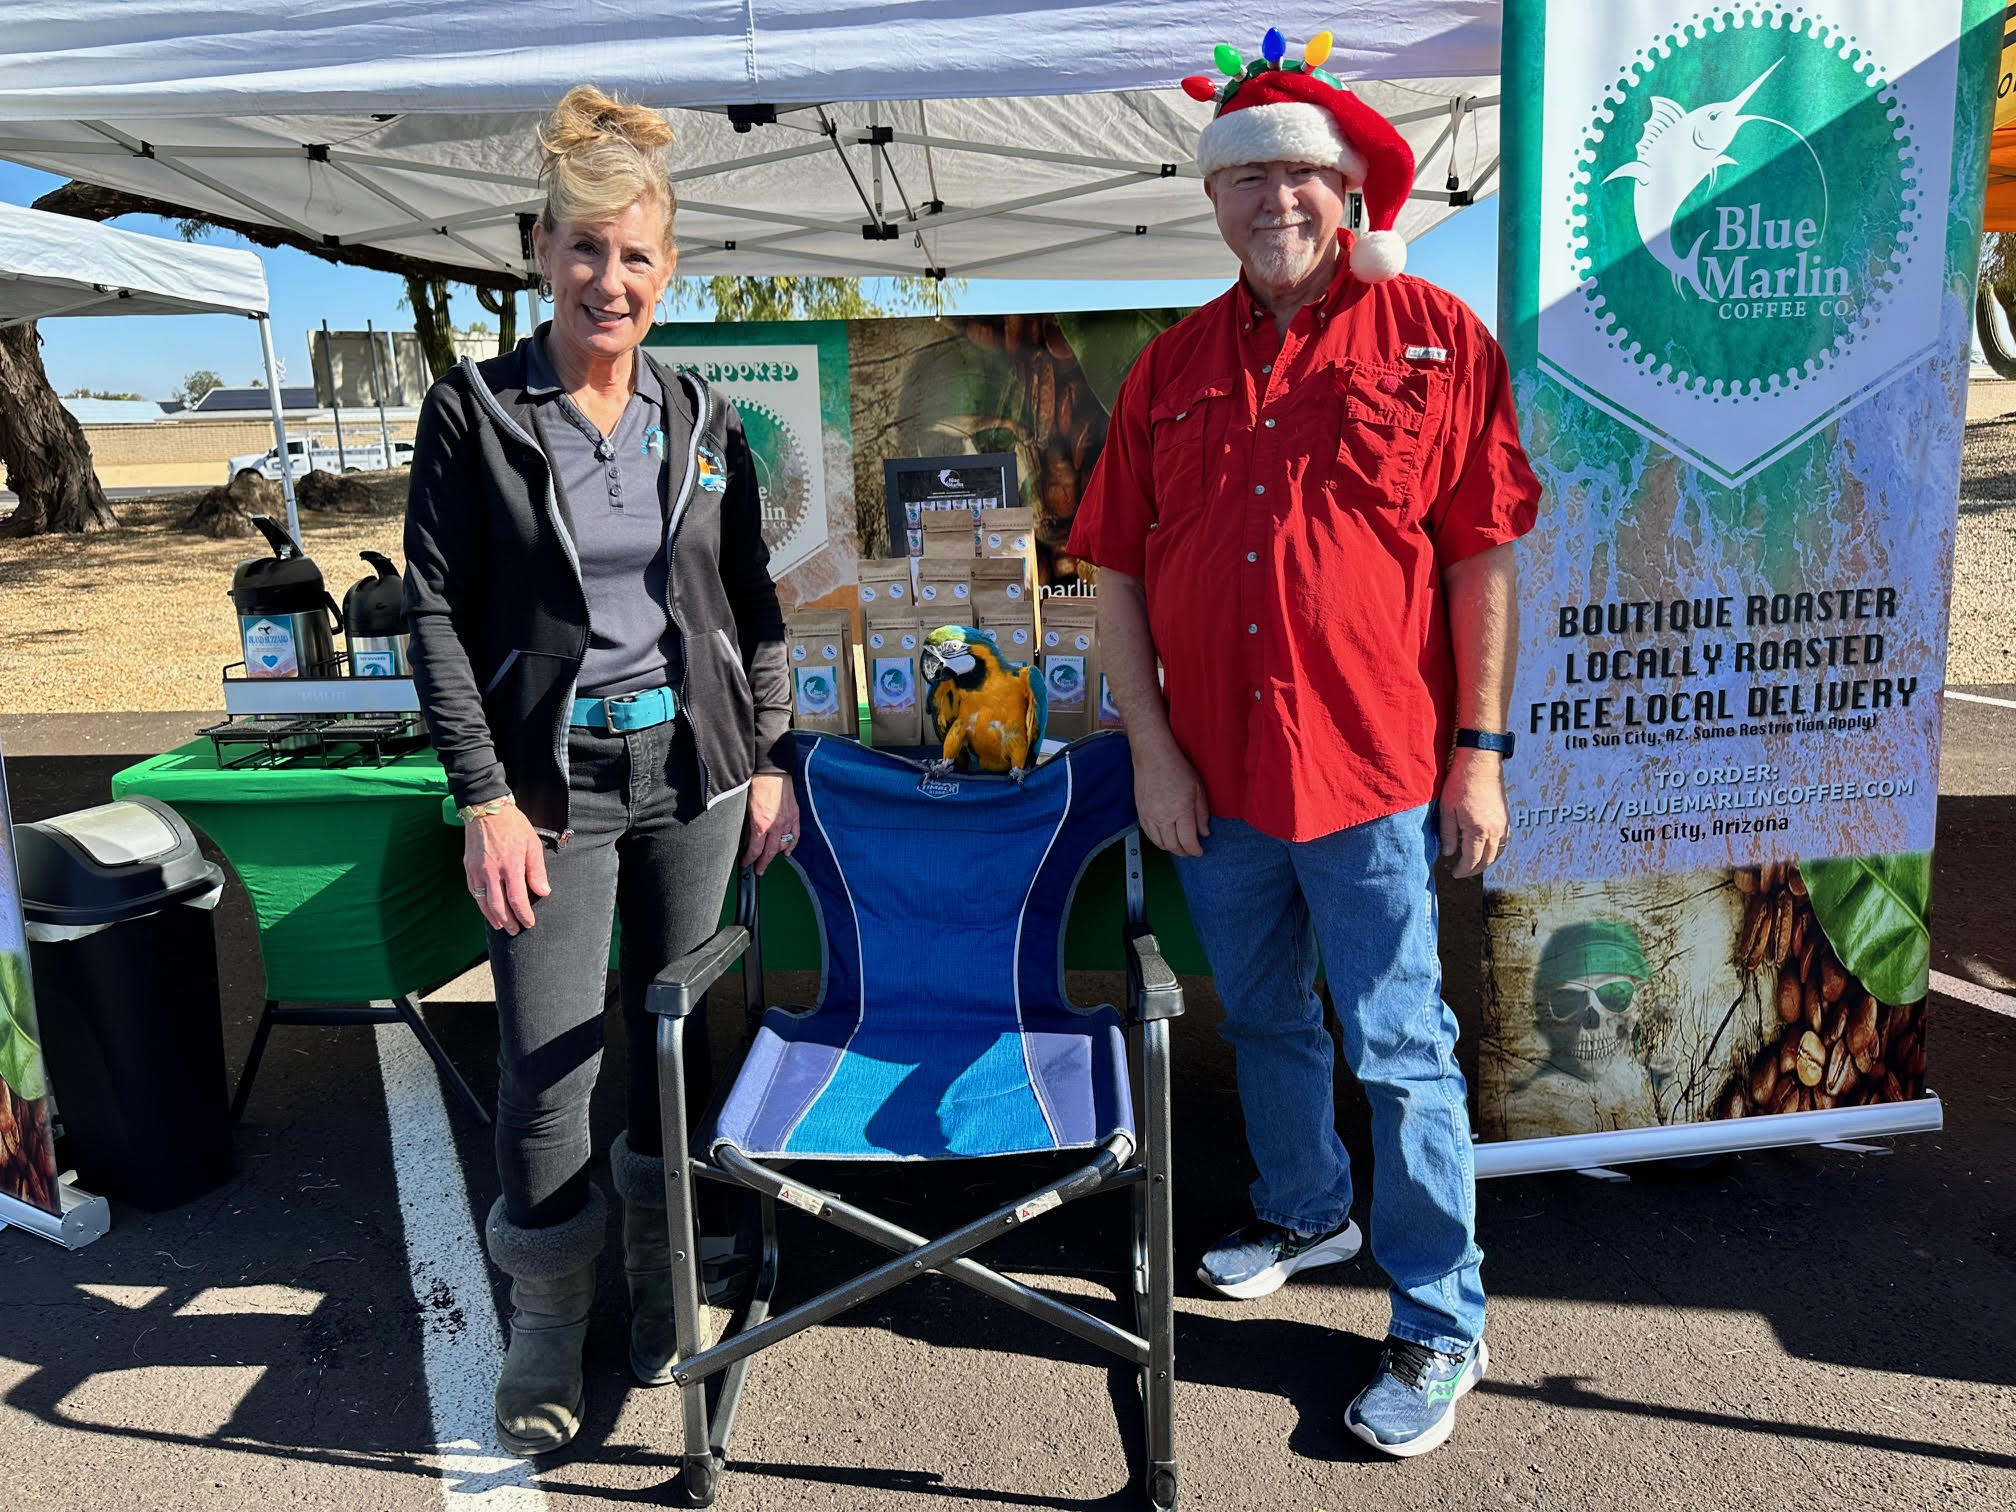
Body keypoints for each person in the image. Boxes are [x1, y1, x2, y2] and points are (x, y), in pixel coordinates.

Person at [1069, 32, 1540, 1459]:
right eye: (1246, 178)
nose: (1274, 199)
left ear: (1344, 190)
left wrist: (1479, 750)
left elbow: (1483, 554)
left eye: (1298, 175)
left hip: (1374, 770)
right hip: (1216, 776)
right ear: (1212, 199)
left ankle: (1440, 1317)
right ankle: (1304, 1206)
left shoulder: (1436, 337)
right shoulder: (1170, 368)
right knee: (1267, 1016)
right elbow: (1115, 569)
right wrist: (1153, 750)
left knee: (1400, 1046)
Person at [403, 85, 794, 1456]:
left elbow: (751, 598)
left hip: (692, 774)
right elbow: (434, 612)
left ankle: (663, 1267)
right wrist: (483, 795)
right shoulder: (475, 410)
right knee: (548, 1061)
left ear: (668, 268)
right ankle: (549, 1317)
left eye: (634, 255)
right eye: (584, 248)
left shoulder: (700, 414)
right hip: (547, 786)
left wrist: (771, 755)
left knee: (678, 1036)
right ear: (539, 250)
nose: (607, 280)